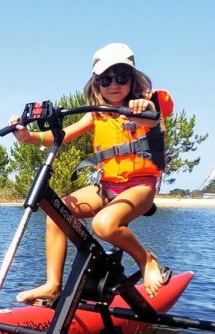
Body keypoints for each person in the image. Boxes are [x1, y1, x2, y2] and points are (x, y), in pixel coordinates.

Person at [9, 42, 174, 303]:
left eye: (121, 77)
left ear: (132, 79)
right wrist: (27, 136)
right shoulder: (96, 114)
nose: (113, 85)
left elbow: (152, 118)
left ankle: (146, 259)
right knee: (57, 210)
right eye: (105, 80)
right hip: (108, 187)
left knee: (103, 225)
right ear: (96, 84)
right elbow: (60, 137)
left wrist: (143, 108)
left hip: (141, 187)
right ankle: (53, 285)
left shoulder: (145, 106)